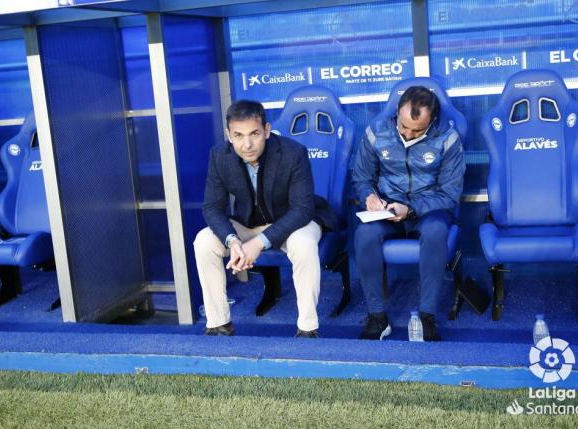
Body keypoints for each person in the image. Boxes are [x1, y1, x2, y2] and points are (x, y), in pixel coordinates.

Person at [193, 100, 324, 338]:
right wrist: (233, 241)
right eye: (238, 135)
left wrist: (258, 243)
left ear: (266, 130)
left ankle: (307, 328)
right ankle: (219, 323)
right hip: (246, 224)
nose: (247, 144)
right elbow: (212, 207)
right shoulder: (219, 156)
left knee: (304, 245)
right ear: (228, 135)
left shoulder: (293, 153)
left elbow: (303, 209)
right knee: (204, 241)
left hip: (292, 223)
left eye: (254, 133)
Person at [352, 86, 465, 341]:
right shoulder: (376, 132)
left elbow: (449, 194)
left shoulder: (448, 138)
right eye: (403, 126)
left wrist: (411, 209)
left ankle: (427, 317)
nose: (408, 133)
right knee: (364, 234)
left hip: (429, 209)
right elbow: (361, 177)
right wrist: (369, 197)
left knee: (436, 232)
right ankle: (377, 317)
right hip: (387, 208)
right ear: (396, 113)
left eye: (417, 130)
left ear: (432, 120)